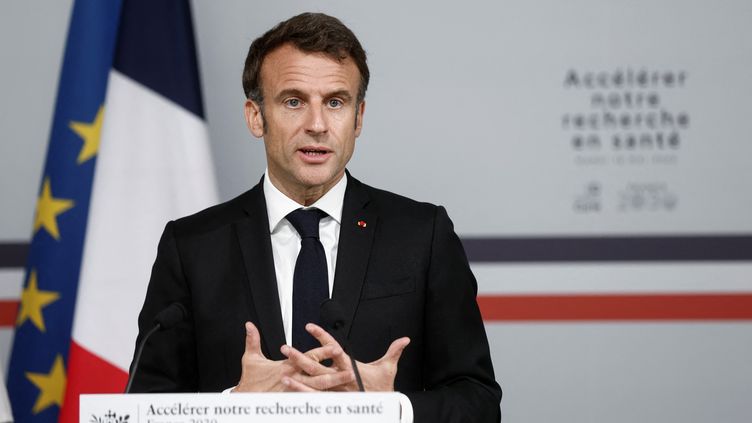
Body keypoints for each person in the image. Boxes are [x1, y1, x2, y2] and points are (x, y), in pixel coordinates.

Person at [129, 12, 501, 422]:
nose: (318, 125)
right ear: (256, 116)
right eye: (293, 101)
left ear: (358, 118)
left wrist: (392, 408)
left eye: (336, 102)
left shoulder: (422, 235)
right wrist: (232, 403)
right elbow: (142, 406)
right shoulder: (194, 246)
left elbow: (479, 401)